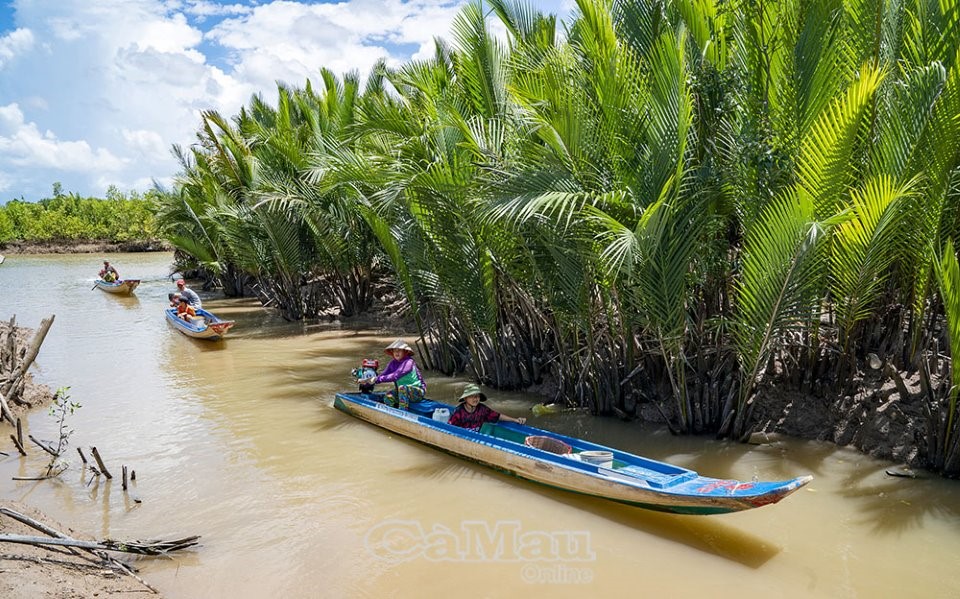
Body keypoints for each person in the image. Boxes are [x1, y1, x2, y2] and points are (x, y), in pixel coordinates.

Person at [360, 339, 425, 410]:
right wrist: (367, 381)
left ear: (405, 352)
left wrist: (377, 379)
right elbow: (382, 375)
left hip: (418, 392)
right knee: (388, 396)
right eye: (394, 350)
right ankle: (392, 412)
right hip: (402, 392)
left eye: (399, 350)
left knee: (402, 388)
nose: (396, 352)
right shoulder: (392, 363)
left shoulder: (409, 362)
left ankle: (402, 411)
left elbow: (395, 376)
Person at [449, 383, 526, 431]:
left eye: (477, 396)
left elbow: (497, 416)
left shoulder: (482, 409)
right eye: (472, 396)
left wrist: (515, 420)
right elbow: (450, 428)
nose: (475, 399)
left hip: (478, 436)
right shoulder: (458, 412)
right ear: (465, 398)